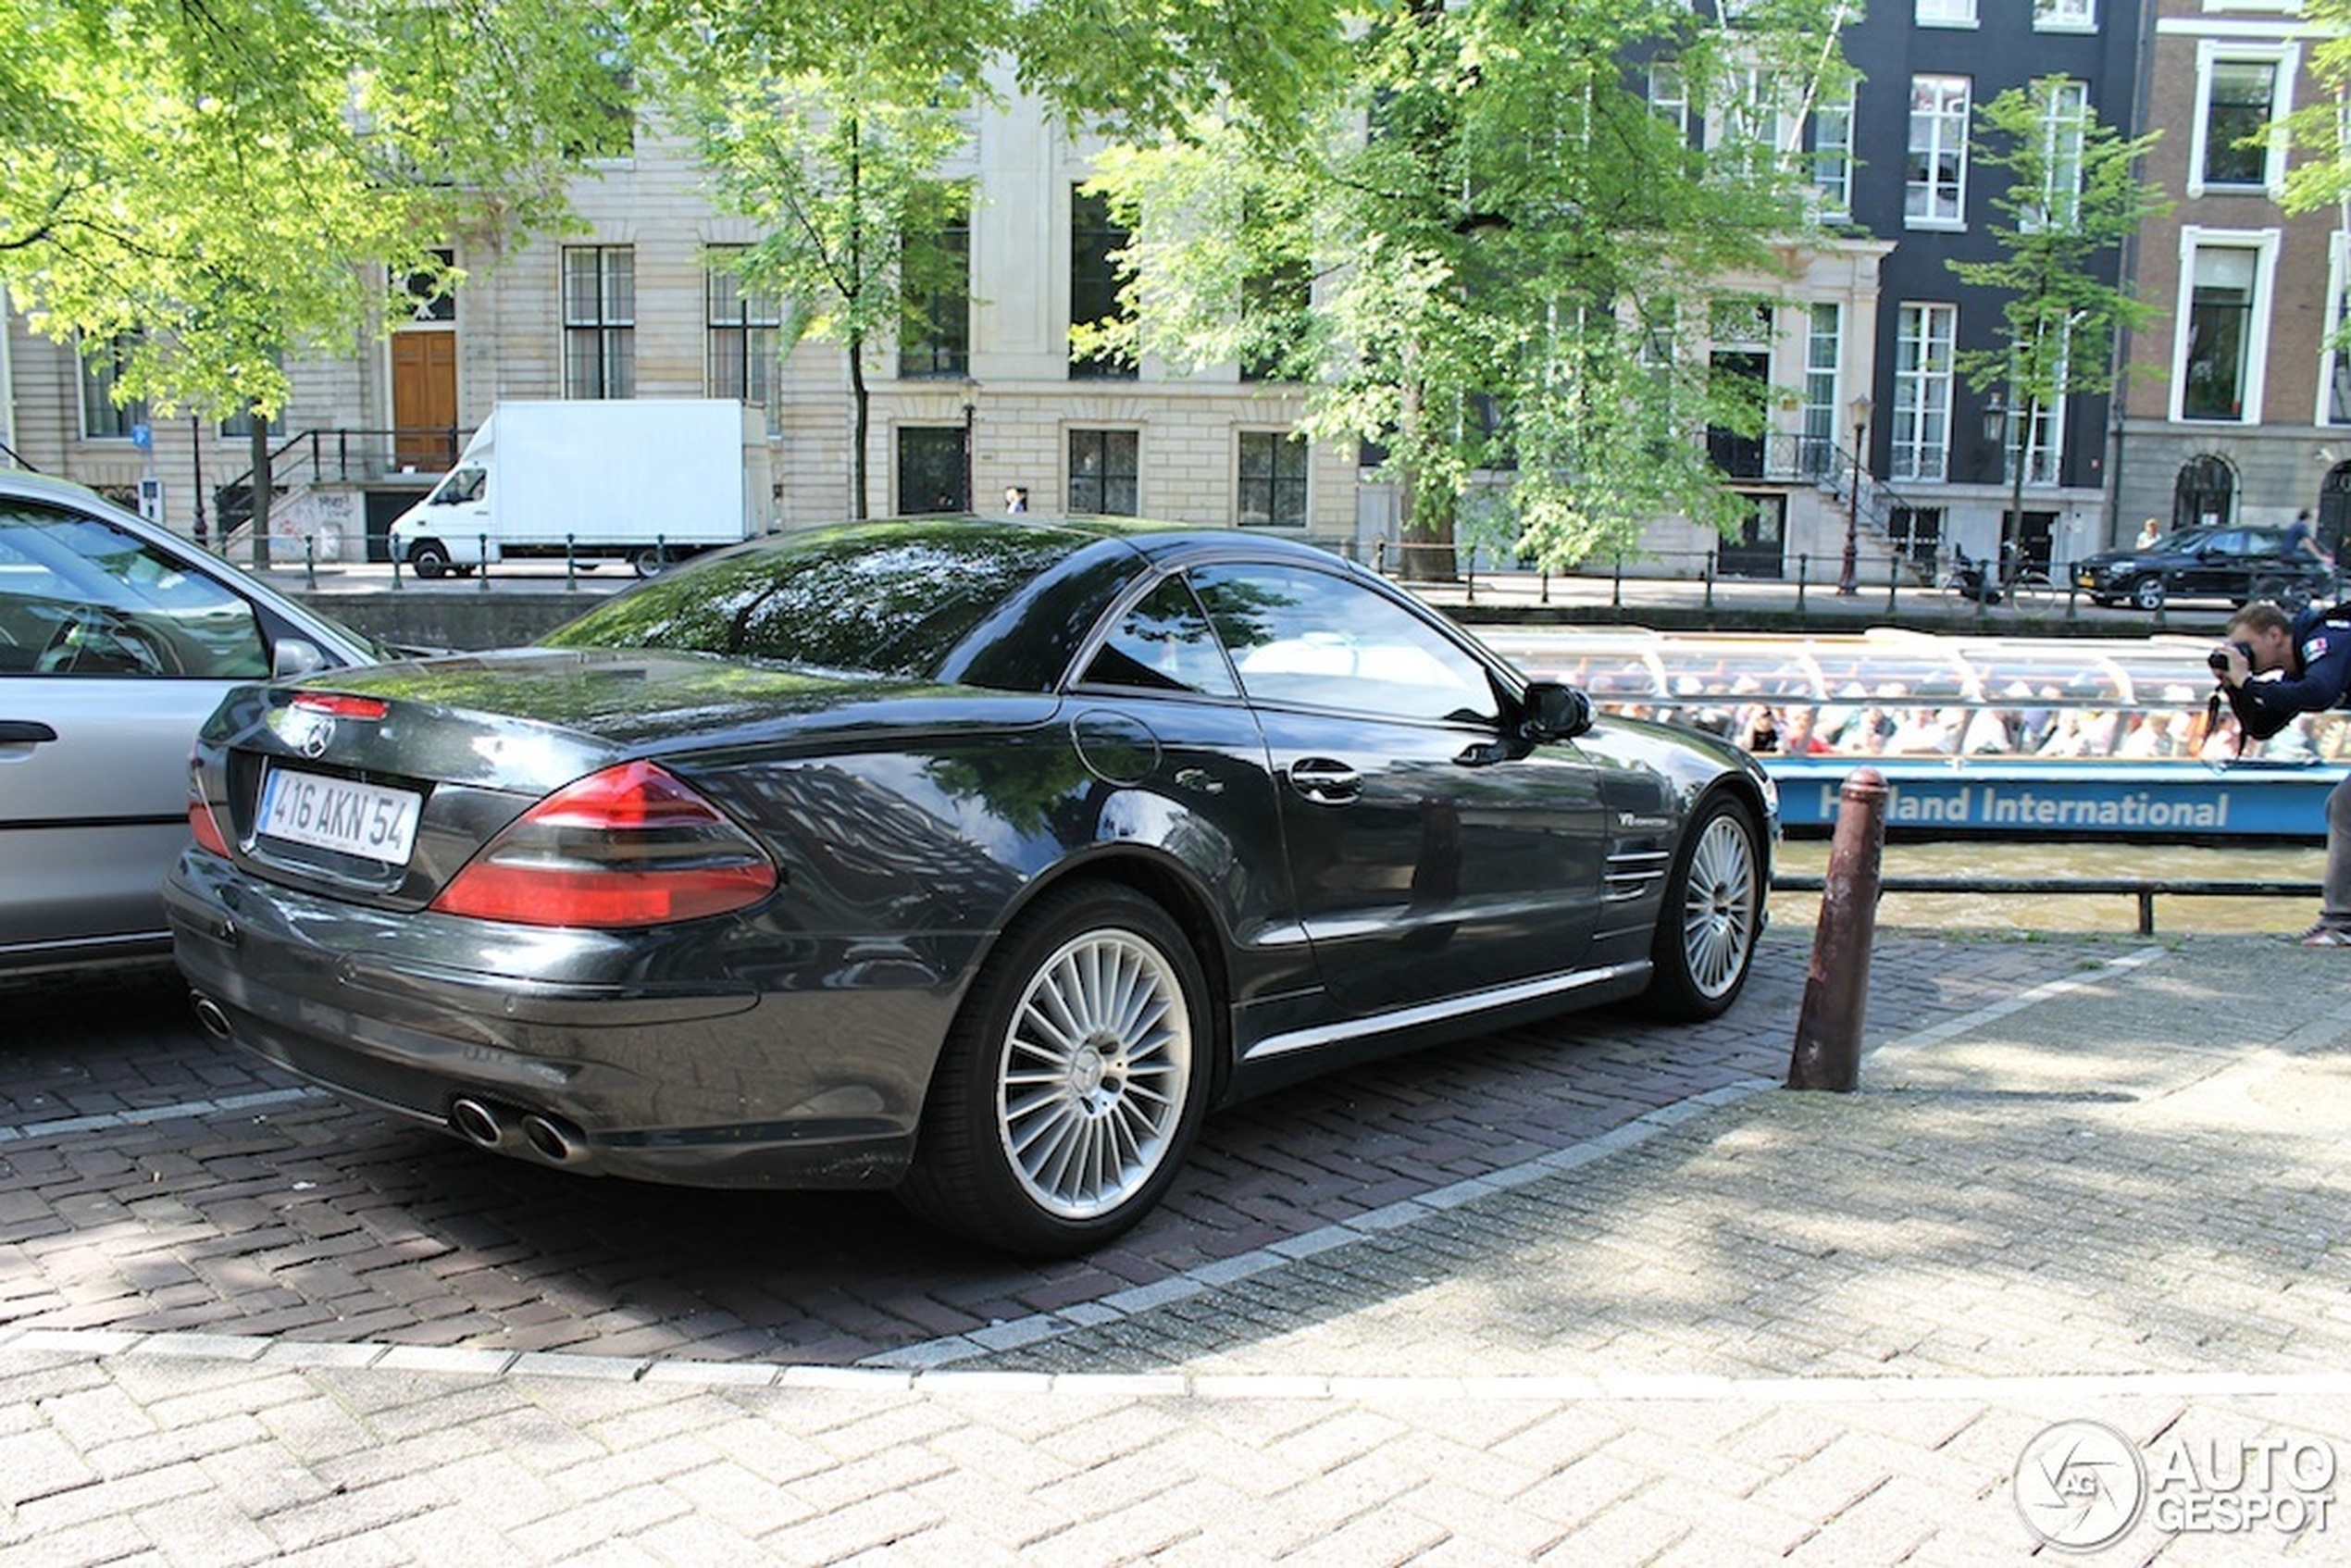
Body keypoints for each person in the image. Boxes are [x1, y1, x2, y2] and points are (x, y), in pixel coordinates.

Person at [2213, 600, 2351, 944]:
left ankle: (2341, 923)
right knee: (2345, 806)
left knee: (2347, 807)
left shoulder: (2326, 640)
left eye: (2247, 646)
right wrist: (2235, 687)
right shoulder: (2299, 668)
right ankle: (2341, 921)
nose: (2242, 655)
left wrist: (2249, 682)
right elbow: (2261, 726)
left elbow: (2319, 694)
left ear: (2274, 634)